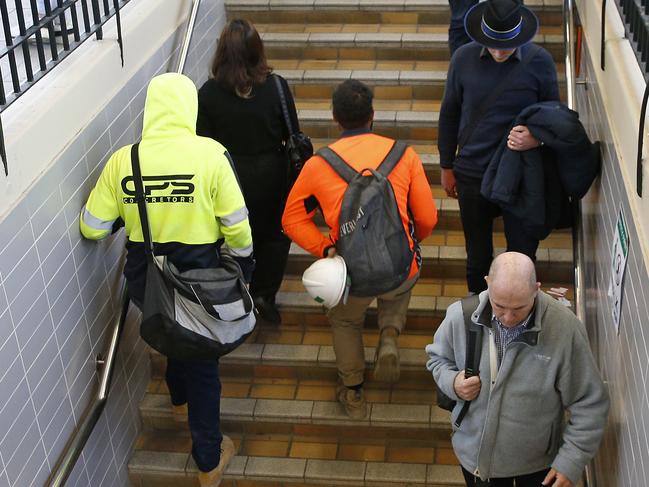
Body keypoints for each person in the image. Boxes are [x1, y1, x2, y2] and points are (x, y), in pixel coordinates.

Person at [79, 73, 254, 487]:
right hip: (201, 275)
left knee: (175, 330)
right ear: (189, 107)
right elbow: (239, 230)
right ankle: (209, 460)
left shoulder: (126, 160)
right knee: (203, 359)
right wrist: (242, 273)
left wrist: (134, 209)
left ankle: (178, 401)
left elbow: (92, 227)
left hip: (148, 276)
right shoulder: (212, 155)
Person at [283, 80, 438, 419]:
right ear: (373, 115)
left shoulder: (317, 165)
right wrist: (412, 242)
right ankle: (389, 334)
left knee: (346, 321)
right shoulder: (404, 155)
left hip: (350, 276)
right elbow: (427, 217)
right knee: (400, 287)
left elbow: (291, 220)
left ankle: (352, 390)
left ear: (335, 119)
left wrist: (327, 250)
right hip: (399, 267)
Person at [426, 252, 609, 487]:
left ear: (537, 289)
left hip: (538, 467)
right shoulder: (459, 316)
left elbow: (590, 404)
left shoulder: (565, 329)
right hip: (475, 461)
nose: (508, 317)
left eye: (520, 308)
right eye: (499, 306)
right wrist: (453, 382)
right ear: (487, 283)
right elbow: (437, 359)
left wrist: (571, 461)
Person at [437, 0, 560, 294]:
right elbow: (450, 112)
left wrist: (537, 137)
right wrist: (445, 165)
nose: (499, 51)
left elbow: (556, 115)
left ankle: (519, 312)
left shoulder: (540, 61)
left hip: (521, 175)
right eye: (492, 44)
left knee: (521, 256)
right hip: (472, 173)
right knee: (477, 256)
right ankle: (478, 312)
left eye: (505, 45)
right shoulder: (463, 59)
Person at [197, 19, 299, 325]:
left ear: (222, 54)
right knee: (276, 237)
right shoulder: (276, 86)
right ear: (258, 51)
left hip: (229, 176)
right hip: (272, 173)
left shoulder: (209, 93)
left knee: (236, 236)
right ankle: (265, 294)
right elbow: (293, 130)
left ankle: (240, 293)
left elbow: (202, 142)